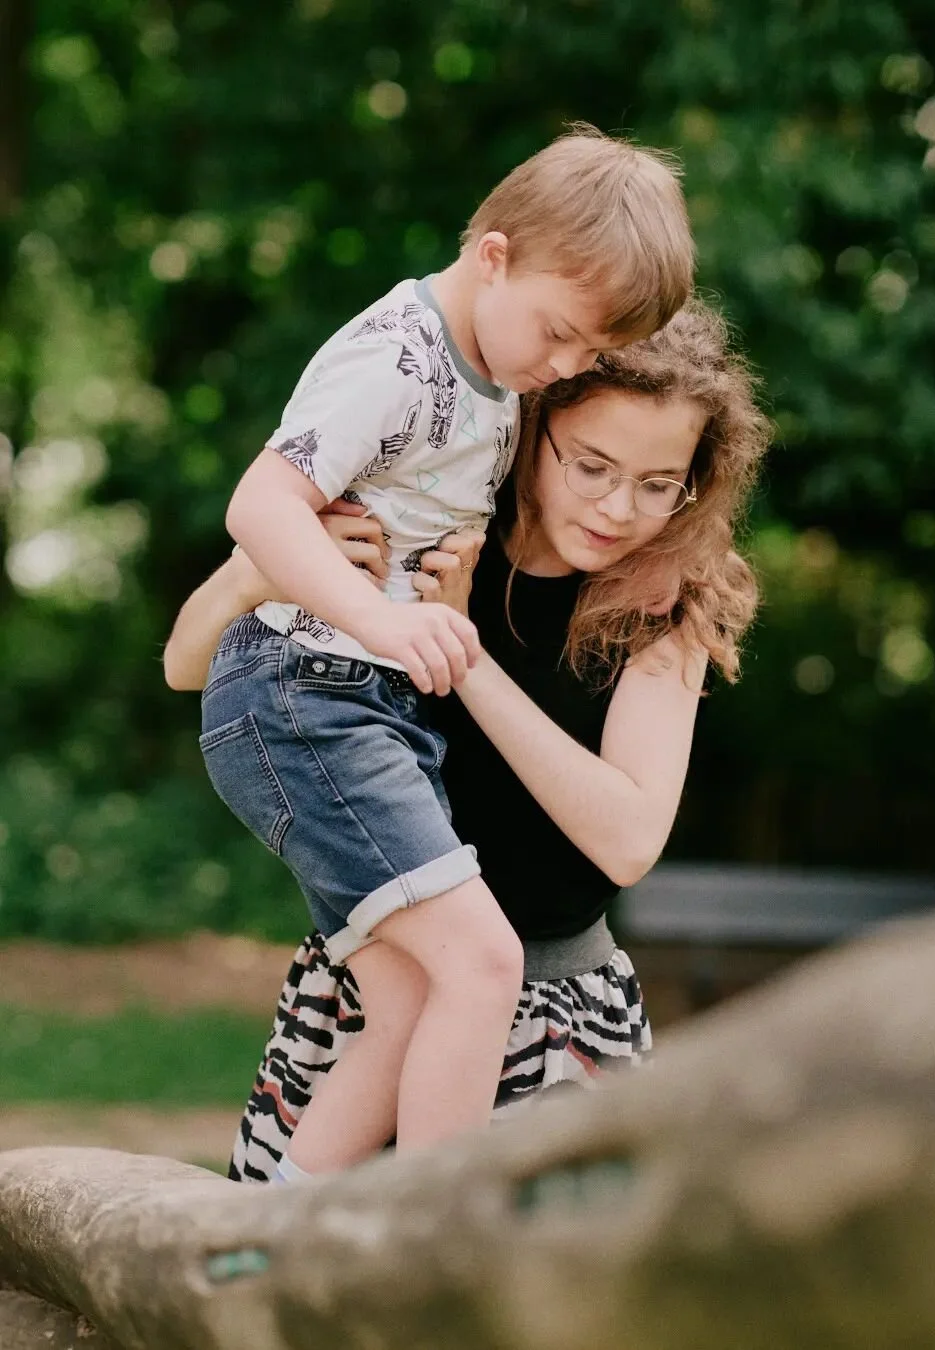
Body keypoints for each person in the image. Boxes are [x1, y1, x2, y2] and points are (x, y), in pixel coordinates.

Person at [164, 300, 771, 1182]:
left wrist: (466, 658)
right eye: (593, 467)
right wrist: (263, 567)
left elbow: (628, 838)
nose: (617, 508)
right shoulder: (429, 531)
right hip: (378, 999)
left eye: (657, 483)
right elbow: (190, 663)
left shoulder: (667, 603)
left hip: (552, 1018)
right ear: (536, 429)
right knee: (284, 1284)